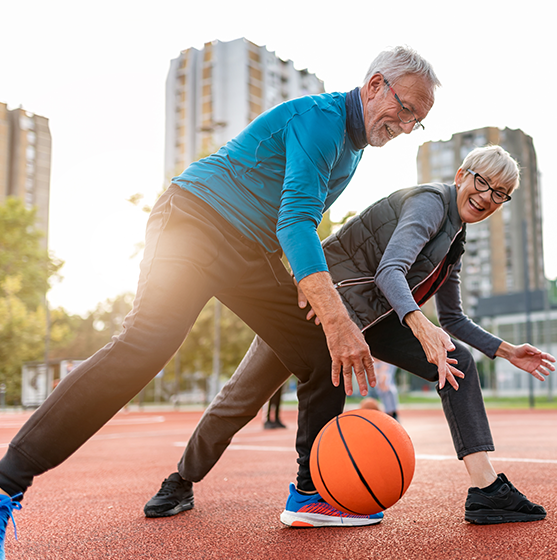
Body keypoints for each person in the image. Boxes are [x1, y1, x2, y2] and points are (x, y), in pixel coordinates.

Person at [0, 45, 439, 554]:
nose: (406, 126)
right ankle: (7, 482)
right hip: (194, 221)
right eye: (404, 109)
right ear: (374, 85)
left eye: (417, 122)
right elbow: (296, 220)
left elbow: (288, 225)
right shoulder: (320, 121)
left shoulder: (355, 149)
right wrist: (337, 315)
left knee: (319, 355)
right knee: (145, 347)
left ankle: (311, 495)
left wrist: (313, 302)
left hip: (247, 251)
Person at [144, 145, 556, 527]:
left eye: (500, 193)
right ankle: (182, 479)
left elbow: (453, 317)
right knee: (242, 397)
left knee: (457, 362)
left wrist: (505, 350)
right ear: (463, 175)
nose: (487, 197)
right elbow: (390, 270)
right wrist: (417, 322)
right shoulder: (430, 201)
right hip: (320, 306)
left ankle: (486, 490)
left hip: (371, 320)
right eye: (482, 182)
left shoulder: (454, 241)